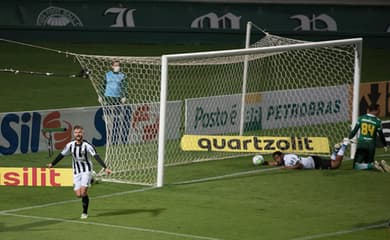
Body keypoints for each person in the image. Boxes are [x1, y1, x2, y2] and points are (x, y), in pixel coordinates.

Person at [47, 125, 111, 219]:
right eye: (76, 132)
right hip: (76, 171)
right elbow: (61, 155)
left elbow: (96, 156)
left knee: (84, 192)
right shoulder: (70, 145)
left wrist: (105, 168)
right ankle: (92, 179)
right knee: (78, 194)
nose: (78, 134)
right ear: (74, 133)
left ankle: (84, 212)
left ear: (83, 133)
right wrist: (52, 164)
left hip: (86, 170)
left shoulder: (87, 145)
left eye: (80, 132)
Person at [347, 103, 389, 171]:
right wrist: (384, 145)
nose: (379, 111)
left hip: (361, 144)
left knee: (356, 166)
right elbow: (381, 135)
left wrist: (349, 138)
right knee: (367, 164)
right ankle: (377, 164)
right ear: (375, 111)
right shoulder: (377, 121)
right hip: (371, 146)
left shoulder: (361, 118)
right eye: (378, 110)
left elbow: (354, 131)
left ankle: (373, 165)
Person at [269, 138, 349, 170]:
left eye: (277, 158)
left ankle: (345, 144)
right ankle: (336, 150)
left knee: (336, 165)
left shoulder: (288, 158)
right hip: (312, 161)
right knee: (332, 161)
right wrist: (263, 162)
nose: (277, 160)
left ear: (282, 155)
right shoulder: (283, 160)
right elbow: (274, 163)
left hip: (314, 162)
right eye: (275, 159)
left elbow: (300, 165)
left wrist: (288, 168)